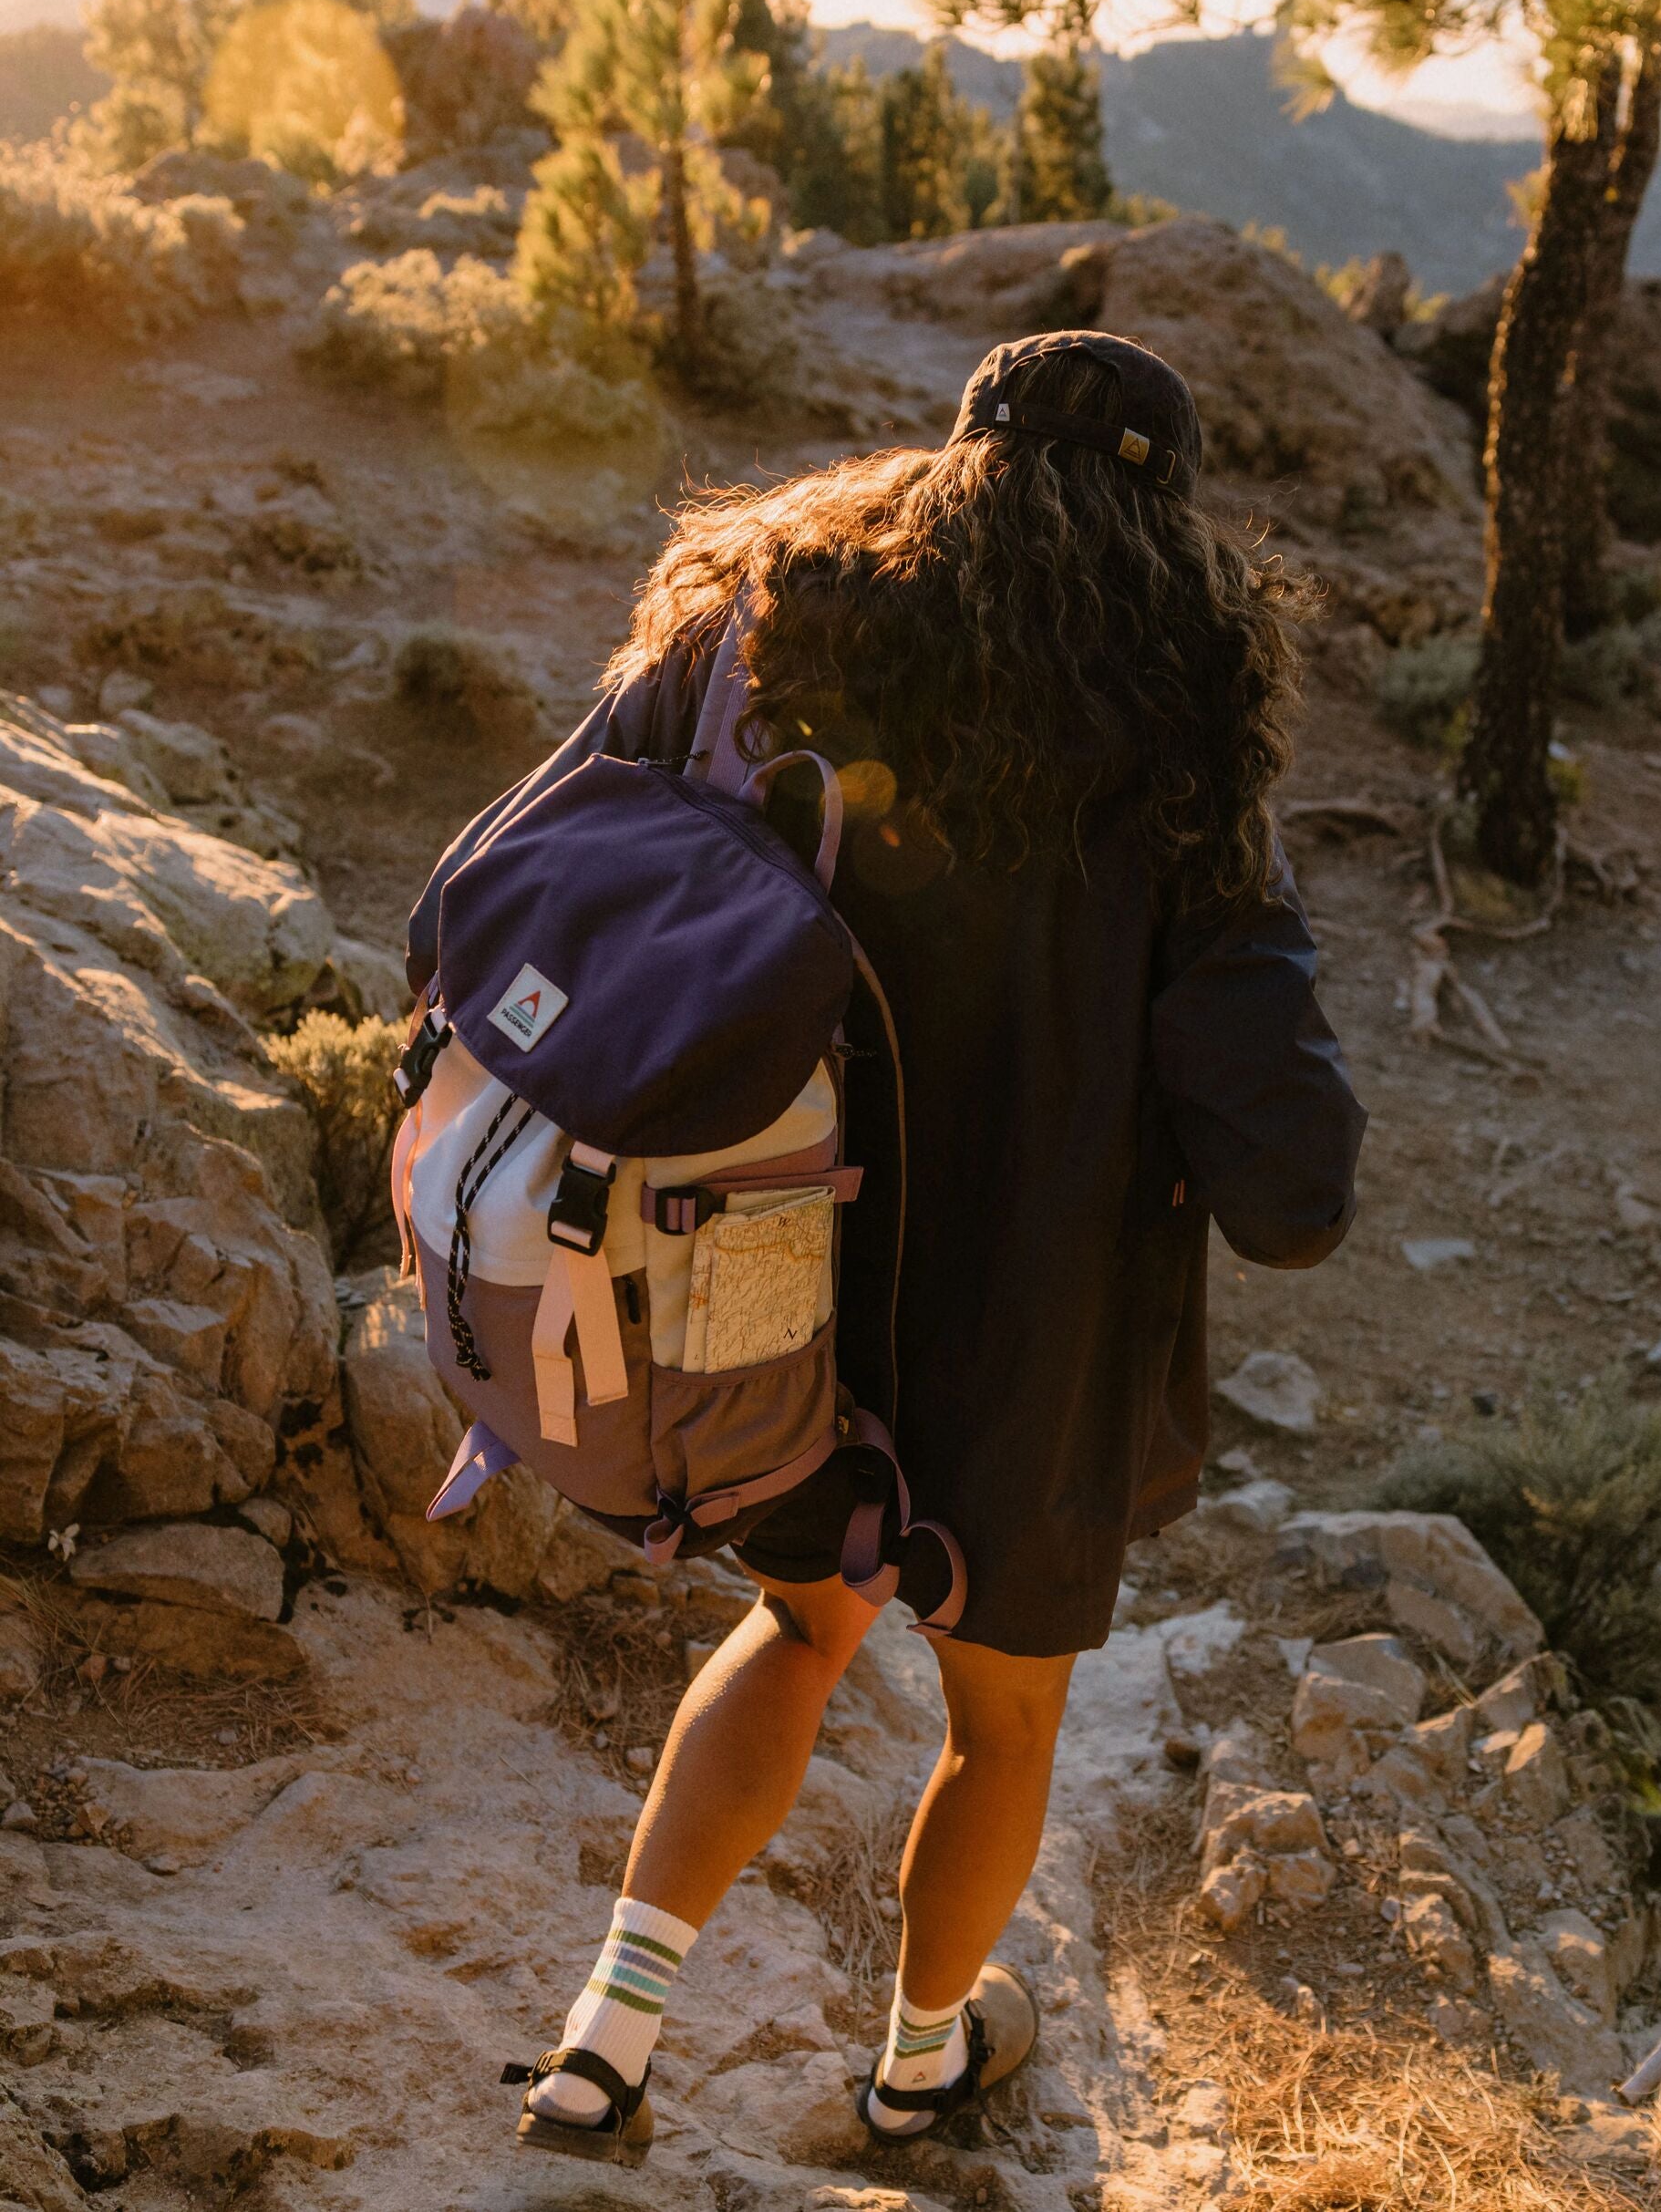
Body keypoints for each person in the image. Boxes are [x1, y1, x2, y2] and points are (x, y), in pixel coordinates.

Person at [423, 332, 1366, 2159]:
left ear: (953, 462)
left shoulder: (773, 630)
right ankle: (922, 2058)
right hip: (1044, 1341)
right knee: (1001, 1722)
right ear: (1167, 538)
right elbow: (1295, 1187)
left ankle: (601, 2045)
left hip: (772, 1283)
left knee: (795, 1627)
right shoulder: (1182, 757)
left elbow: (529, 864)